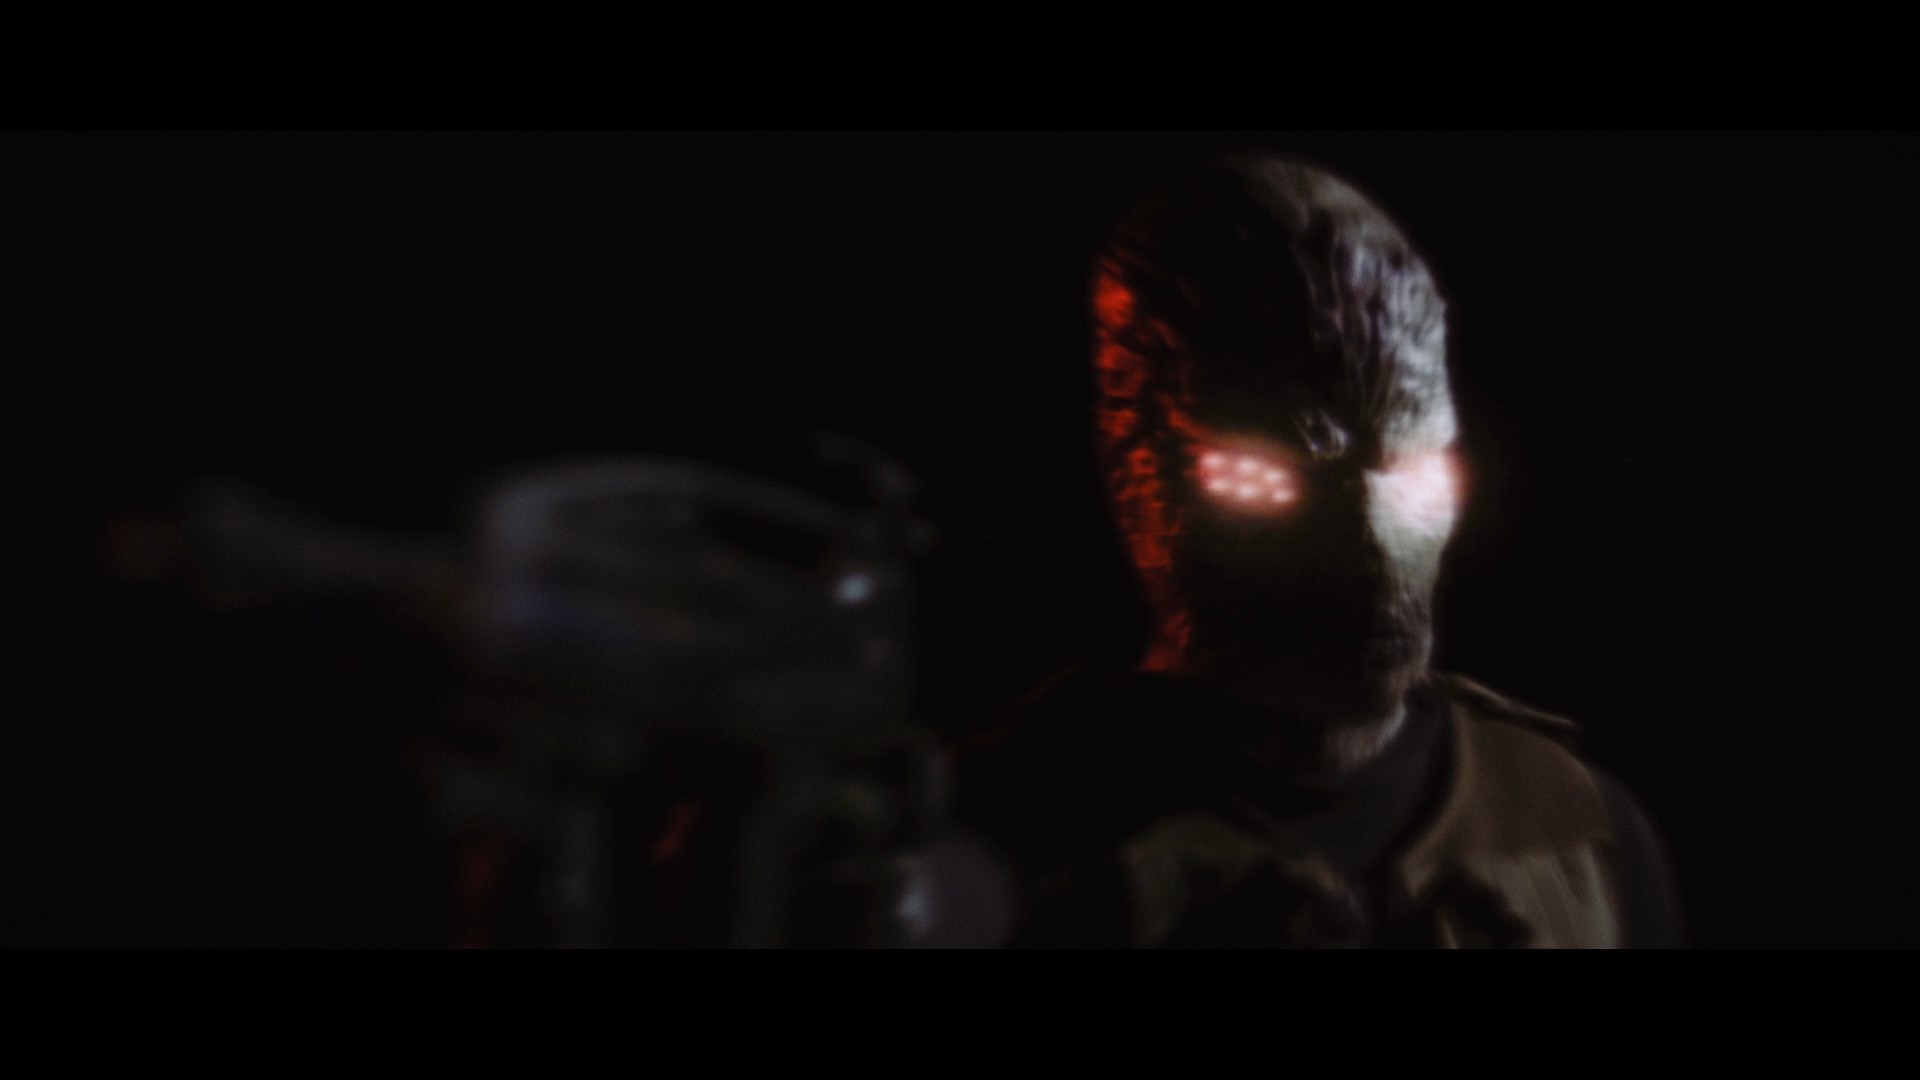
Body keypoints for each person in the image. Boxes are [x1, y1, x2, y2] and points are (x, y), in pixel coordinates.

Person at [943, 153, 1686, 948]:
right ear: (1130, 465)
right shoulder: (993, 834)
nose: (1370, 550)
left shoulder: (1575, 823)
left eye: (1415, 474)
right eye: (1261, 481)